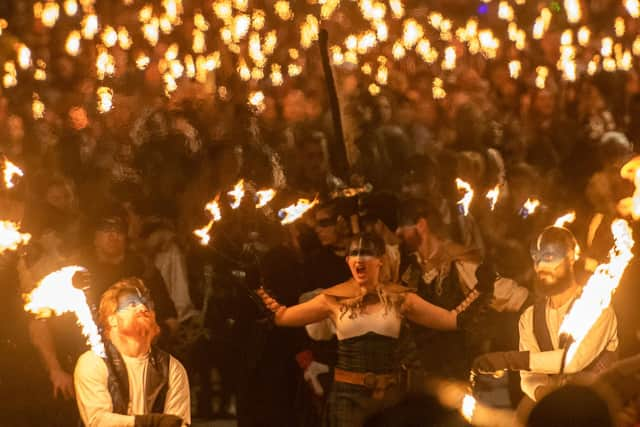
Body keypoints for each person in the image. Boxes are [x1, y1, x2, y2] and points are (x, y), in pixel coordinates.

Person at [258, 233, 491, 426]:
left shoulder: (401, 298)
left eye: (367, 253)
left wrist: (483, 288)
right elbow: (282, 317)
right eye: (354, 254)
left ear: (380, 260)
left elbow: (452, 320)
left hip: (389, 394)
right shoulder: (331, 299)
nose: (360, 259)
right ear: (348, 261)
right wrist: (255, 288)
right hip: (346, 397)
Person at [472, 226, 618, 405]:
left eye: (549, 257)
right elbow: (529, 377)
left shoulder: (597, 305)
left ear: (570, 256)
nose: (540, 266)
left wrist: (508, 359)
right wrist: (550, 402)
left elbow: (573, 360)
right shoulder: (530, 317)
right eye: (536, 258)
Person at [74, 278, 190, 427]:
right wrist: (150, 423)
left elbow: (177, 424)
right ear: (112, 319)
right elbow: (98, 421)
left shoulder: (172, 368)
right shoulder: (93, 363)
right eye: (132, 304)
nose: (143, 308)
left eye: (146, 304)